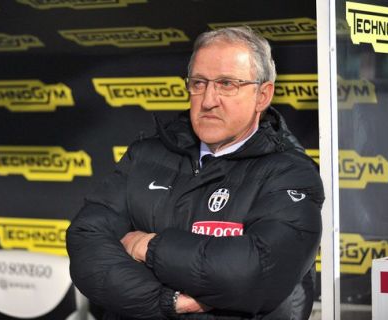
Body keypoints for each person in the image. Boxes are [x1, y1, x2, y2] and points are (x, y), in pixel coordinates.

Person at [67, 26, 324, 320]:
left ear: (262, 95)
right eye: (199, 83)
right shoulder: (146, 155)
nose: (208, 99)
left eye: (227, 84)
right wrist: (167, 301)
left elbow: (253, 275)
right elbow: (87, 244)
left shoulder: (291, 173)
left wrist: (148, 247)